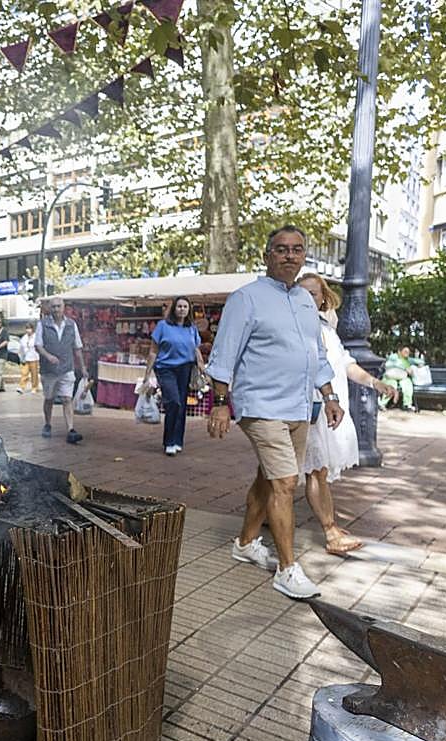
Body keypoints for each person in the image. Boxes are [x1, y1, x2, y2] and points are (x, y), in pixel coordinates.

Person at [205, 224, 342, 600]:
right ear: (267, 256)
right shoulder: (246, 298)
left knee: (269, 479)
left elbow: (317, 356)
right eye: (281, 249)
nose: (289, 255)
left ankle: (245, 543)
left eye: (297, 249)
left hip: (299, 406)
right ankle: (287, 568)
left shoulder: (304, 301)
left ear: (304, 256)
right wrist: (221, 403)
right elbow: (224, 354)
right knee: (285, 483)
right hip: (261, 405)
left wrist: (329, 396)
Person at [298, 272, 398, 556]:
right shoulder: (297, 327)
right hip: (310, 407)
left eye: (313, 293)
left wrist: (376, 383)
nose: (307, 298)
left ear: (323, 298)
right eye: (301, 293)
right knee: (315, 471)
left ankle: (263, 519)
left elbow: (346, 364)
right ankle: (330, 531)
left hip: (329, 408)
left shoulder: (327, 329)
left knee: (309, 472)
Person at [142, 296, 208, 456]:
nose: (182, 309)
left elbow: (196, 349)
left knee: (181, 405)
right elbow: (153, 351)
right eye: (179, 306)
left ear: (189, 310)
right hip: (165, 368)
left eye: (185, 307)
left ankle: (178, 440)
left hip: (185, 368)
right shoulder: (163, 326)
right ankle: (169, 441)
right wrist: (147, 374)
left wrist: (201, 366)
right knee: (173, 401)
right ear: (174, 308)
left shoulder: (191, 328)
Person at [35, 298, 87, 444]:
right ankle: (47, 423)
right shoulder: (42, 324)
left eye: (59, 306)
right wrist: (48, 356)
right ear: (49, 308)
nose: (56, 309)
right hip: (49, 370)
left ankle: (71, 429)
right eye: (53, 307)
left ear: (64, 307)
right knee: (49, 398)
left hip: (66, 368)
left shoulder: (71, 324)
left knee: (67, 399)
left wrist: (83, 367)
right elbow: (38, 345)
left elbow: (77, 347)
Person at [379, 346, 426, 411]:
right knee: (392, 385)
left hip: (402, 377)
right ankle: (382, 404)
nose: (407, 353)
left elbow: (420, 361)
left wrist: (420, 364)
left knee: (408, 384)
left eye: (408, 352)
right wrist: (405, 368)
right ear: (399, 352)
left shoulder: (408, 359)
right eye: (405, 351)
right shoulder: (394, 357)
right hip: (390, 377)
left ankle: (407, 405)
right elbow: (388, 364)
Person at [17, 323, 40, 394]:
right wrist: (21, 357)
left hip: (34, 358)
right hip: (26, 358)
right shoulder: (24, 338)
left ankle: (34, 387)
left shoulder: (36, 337)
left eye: (29, 328)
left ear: (32, 329)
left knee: (34, 374)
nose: (28, 330)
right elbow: (21, 349)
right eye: (27, 328)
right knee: (24, 373)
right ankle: (21, 387)